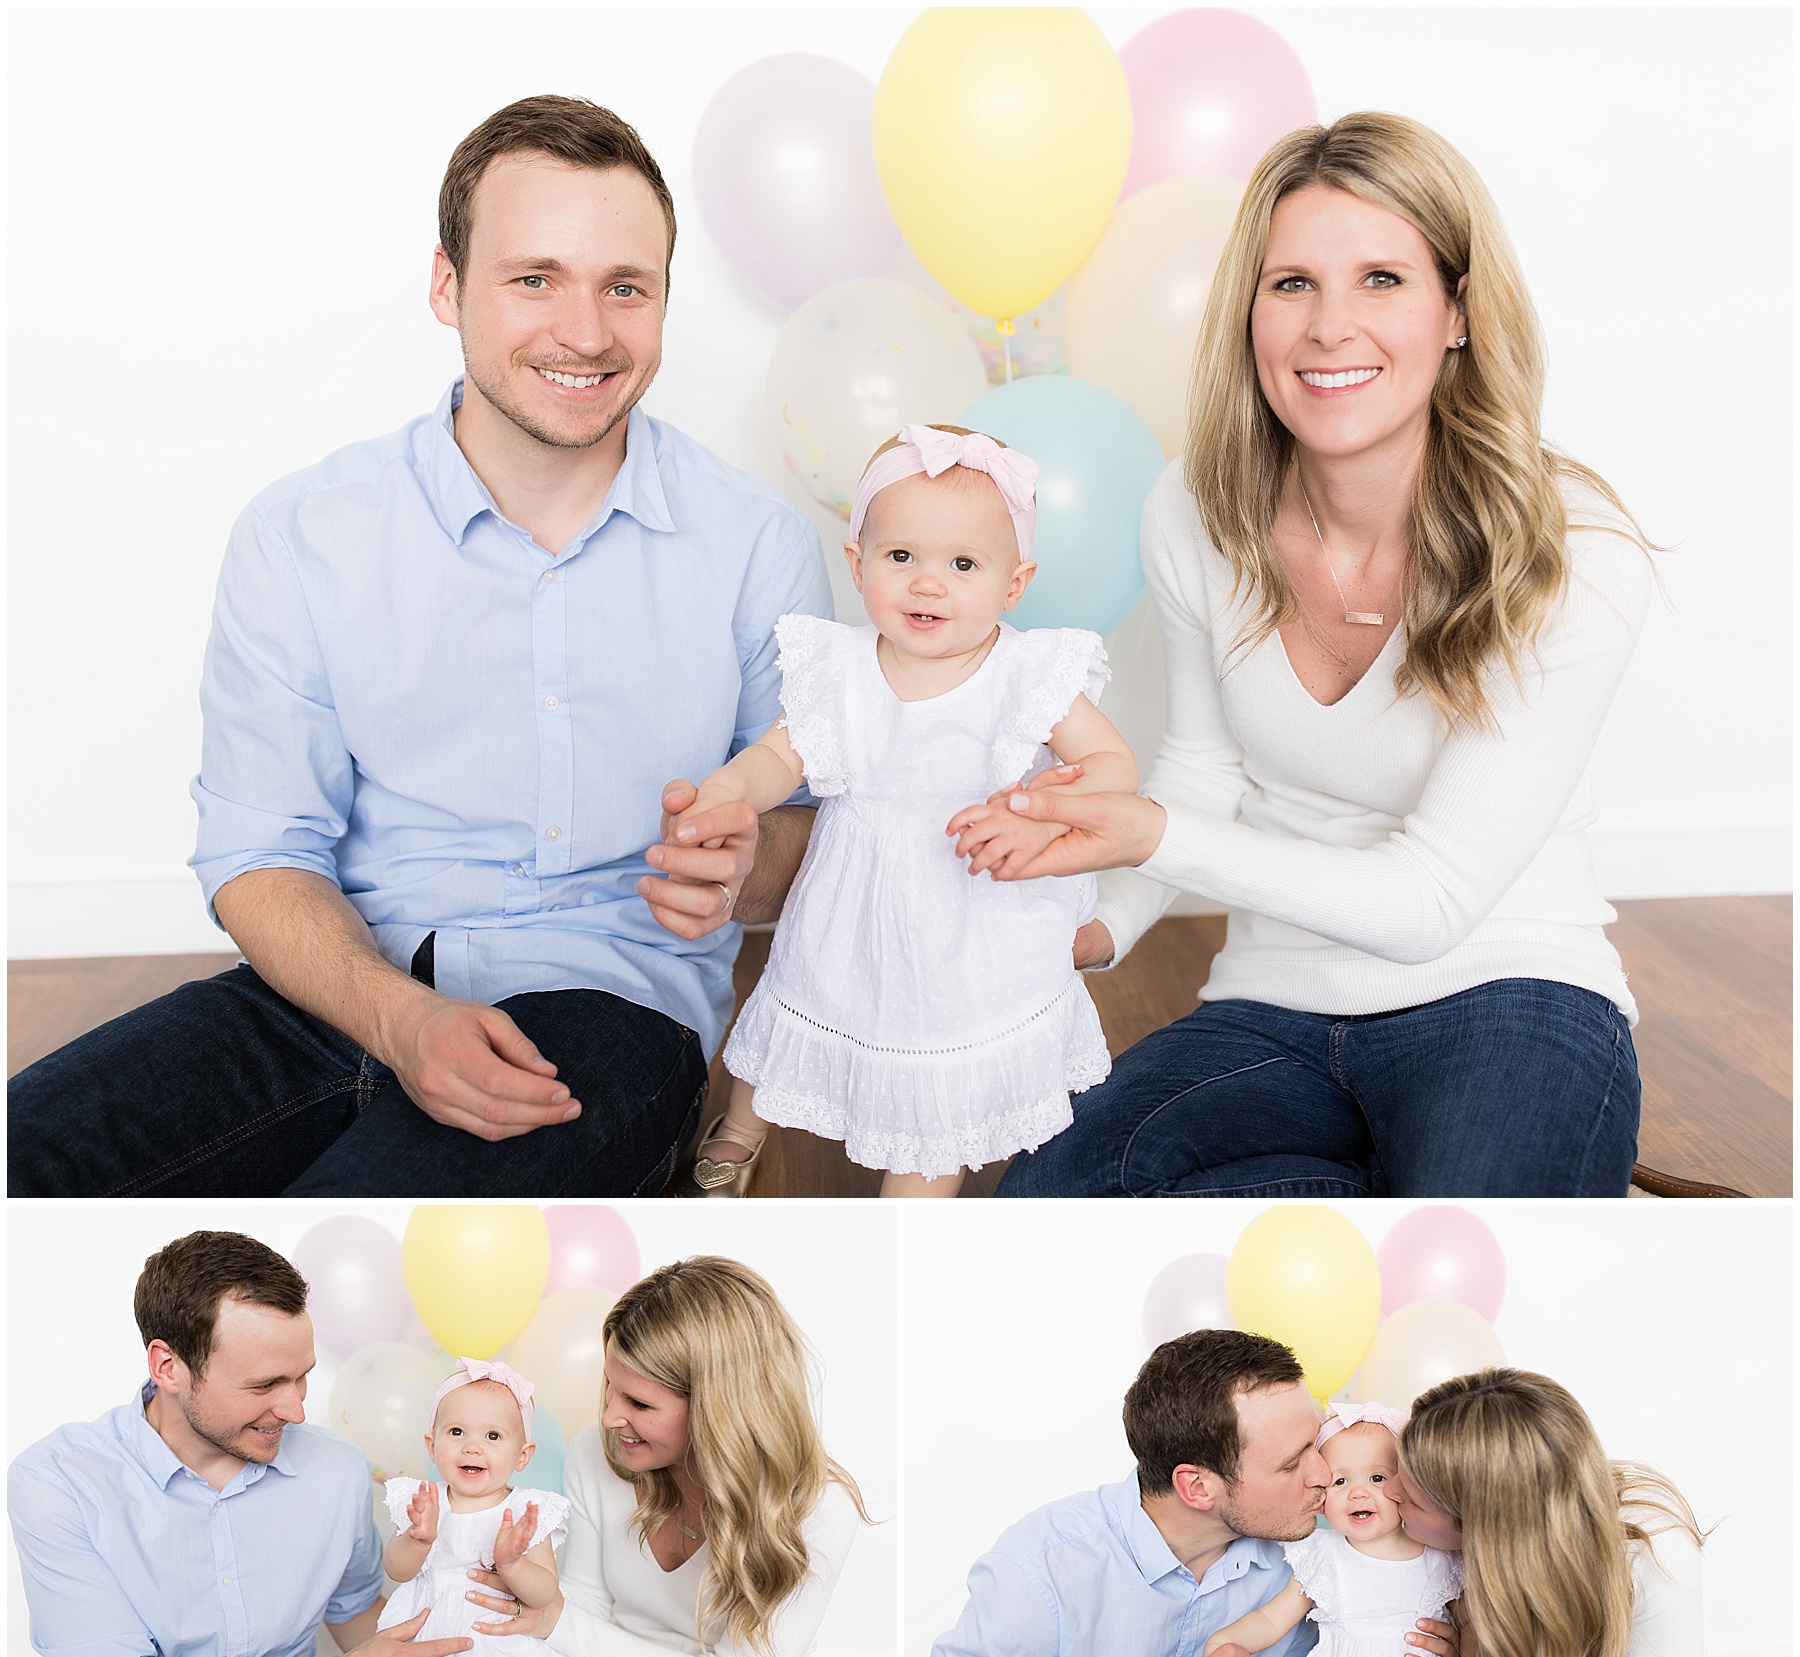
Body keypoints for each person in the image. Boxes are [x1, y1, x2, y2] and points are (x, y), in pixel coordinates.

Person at [6, 93, 832, 1198]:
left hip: (608, 1013)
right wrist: (398, 1017)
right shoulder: (305, 533)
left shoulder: (756, 543)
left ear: (664, 299)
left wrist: (747, 866)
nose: (585, 332)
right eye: (533, 277)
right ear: (447, 286)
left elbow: (816, 833)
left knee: (341, 1245)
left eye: (624, 286)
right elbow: (259, 849)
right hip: (338, 985)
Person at [985, 112, 1655, 1198]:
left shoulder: (1571, 547)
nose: (1329, 327)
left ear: (1459, 313)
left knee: (1455, 1258)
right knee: (1044, 1199)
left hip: (1508, 985)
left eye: (1382, 278)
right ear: (1248, 313)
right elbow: (1206, 771)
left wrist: (1151, 832)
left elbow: (1431, 899)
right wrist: (1095, 929)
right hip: (1276, 1000)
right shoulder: (1192, 507)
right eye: (1291, 283)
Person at [676, 422, 1135, 1198]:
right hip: (851, 904)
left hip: (972, 918)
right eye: (901, 558)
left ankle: (908, 1216)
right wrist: (728, 792)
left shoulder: (1027, 673)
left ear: (1013, 584)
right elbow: (777, 757)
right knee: (805, 1004)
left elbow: (1113, 767)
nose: (929, 584)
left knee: (939, 1063)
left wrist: (1039, 813)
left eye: (963, 564)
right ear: (858, 566)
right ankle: (743, 1126)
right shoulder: (841, 669)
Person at [7, 1231, 482, 1657]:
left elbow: (356, 1615)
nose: (297, 1408)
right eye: (265, 1385)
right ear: (169, 1367)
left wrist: (472, 1634)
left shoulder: (337, 1473)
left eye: (302, 1374)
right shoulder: (56, 1476)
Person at [914, 1330, 1460, 1657]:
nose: (1324, 1474)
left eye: (1316, 1445)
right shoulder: (1040, 1572)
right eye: (1293, 1462)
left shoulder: (1298, 1559)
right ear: (1197, 1486)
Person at [465, 1257, 869, 1657]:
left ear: (718, 1409)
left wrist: (553, 1621)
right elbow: (583, 1605)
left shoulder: (818, 1503)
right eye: (610, 1389)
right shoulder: (596, 1452)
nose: (609, 1416)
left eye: (638, 1402)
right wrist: (507, 1595)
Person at [1390, 1369, 1766, 1657]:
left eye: (1414, 1499)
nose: (1391, 1492)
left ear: (1482, 1528)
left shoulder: (1650, 1547)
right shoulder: (1415, 1556)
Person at [1204, 1402, 1501, 1657]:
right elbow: (1272, 1619)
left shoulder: (1438, 1554)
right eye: (1339, 1482)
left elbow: (1471, 1626)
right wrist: (1225, 1643)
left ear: (1407, 1485)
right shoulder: (1323, 1556)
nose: (1358, 1491)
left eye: (1378, 1477)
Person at [339, 1359, 607, 1657]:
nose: (471, 1448)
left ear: (523, 1455)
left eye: (493, 1436)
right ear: (432, 1444)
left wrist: (514, 1564)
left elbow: (545, 1594)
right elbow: (396, 1569)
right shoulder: (424, 1503)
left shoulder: (525, 1512)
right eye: (456, 1432)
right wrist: (419, 1540)